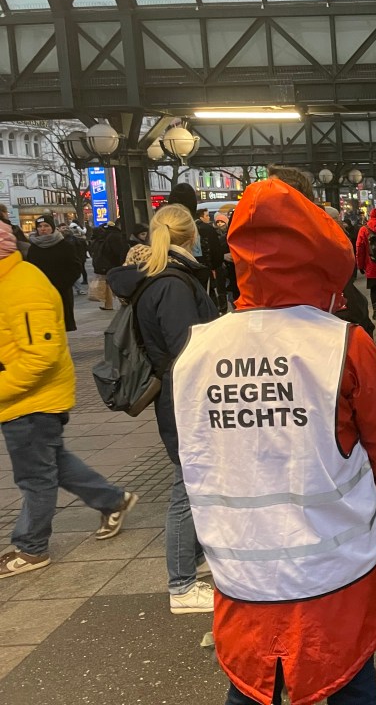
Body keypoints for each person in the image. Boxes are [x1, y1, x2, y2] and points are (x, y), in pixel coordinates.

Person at [173, 178, 376, 705]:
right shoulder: (344, 343)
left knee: (252, 691)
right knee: (350, 688)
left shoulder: (197, 350)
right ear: (325, 261)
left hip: (242, 573)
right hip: (335, 571)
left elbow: (194, 451)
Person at [0, 220, 137, 579]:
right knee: (52, 463)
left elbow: (39, 355)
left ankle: (31, 548)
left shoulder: (21, 286)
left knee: (34, 476)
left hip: (32, 400)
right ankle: (112, 500)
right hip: (27, 399)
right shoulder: (11, 281)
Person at [105, 204, 218, 613]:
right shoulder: (172, 284)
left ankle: (193, 565)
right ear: (190, 236)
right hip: (186, 397)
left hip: (180, 395)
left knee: (192, 484)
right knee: (186, 489)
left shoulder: (160, 277)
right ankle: (182, 585)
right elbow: (187, 349)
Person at [27, 214, 82, 332]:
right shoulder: (33, 248)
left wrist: (64, 283)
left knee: (61, 325)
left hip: (61, 291)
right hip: (41, 294)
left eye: (46, 225)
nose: (43, 229)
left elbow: (75, 267)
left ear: (52, 227)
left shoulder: (64, 245)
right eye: (40, 226)